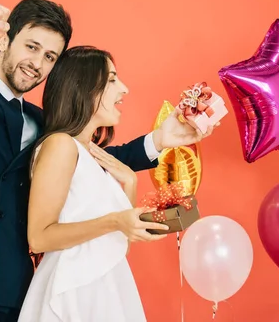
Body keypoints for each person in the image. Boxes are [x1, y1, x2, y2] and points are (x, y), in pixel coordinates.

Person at [0, 0, 213, 322]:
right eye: (31, 47)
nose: (37, 63)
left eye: (49, 56)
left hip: (13, 291)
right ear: (5, 39)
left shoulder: (41, 122)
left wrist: (161, 140)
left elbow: (88, 160)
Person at [19, 46, 169, 321]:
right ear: (83, 88)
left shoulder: (90, 154)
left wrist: (130, 182)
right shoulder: (61, 145)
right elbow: (39, 237)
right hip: (73, 289)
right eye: (111, 79)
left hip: (104, 285)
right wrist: (115, 220)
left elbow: (115, 244)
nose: (123, 89)